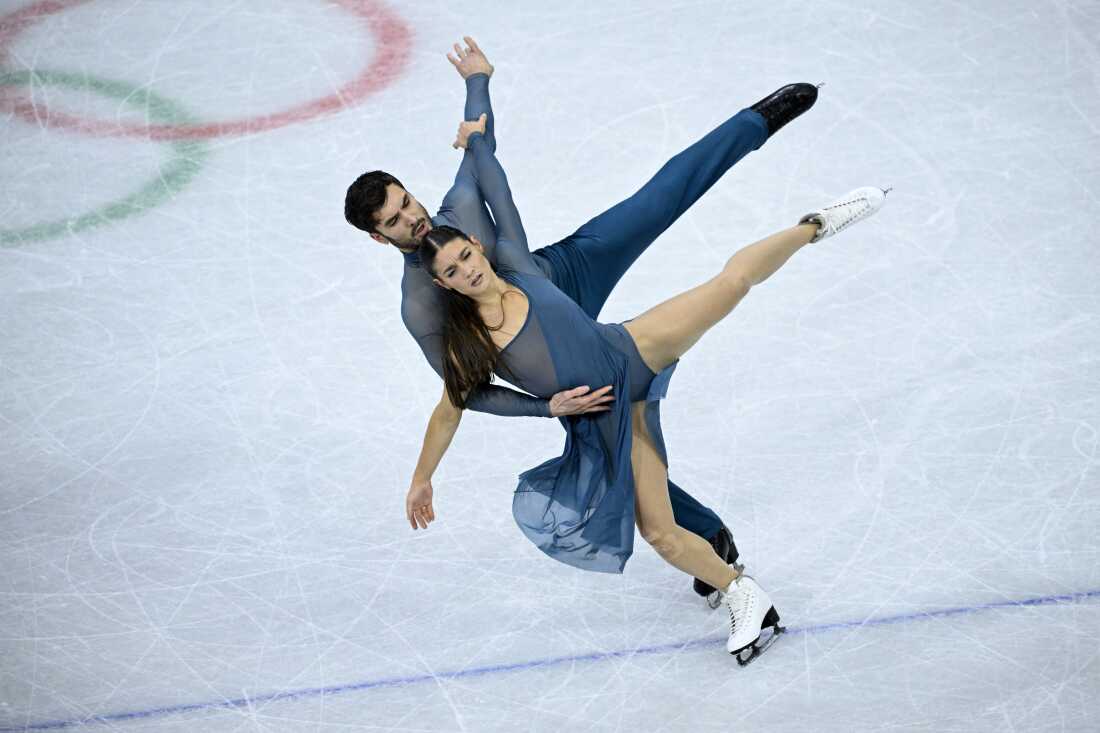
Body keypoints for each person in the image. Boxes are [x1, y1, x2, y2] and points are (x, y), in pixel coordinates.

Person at [344, 37, 819, 605]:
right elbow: (461, 393)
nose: (411, 218)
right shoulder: (421, 306)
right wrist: (543, 406)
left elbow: (479, 148)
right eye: (394, 221)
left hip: (561, 274)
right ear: (379, 237)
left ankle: (755, 123)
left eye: (406, 202)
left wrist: (477, 80)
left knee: (654, 201)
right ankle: (710, 536)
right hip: (548, 353)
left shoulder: (458, 207)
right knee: (617, 447)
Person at [407, 112, 888, 663]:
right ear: (442, 283)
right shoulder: (470, 344)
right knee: (659, 532)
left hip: (631, 349)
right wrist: (438, 470)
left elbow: (497, 188)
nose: (466, 270)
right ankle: (743, 593)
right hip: (606, 416)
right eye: (452, 271)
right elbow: (454, 408)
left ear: (476, 244)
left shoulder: (517, 263)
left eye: (466, 255)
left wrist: (476, 141)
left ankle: (817, 225)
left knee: (732, 283)